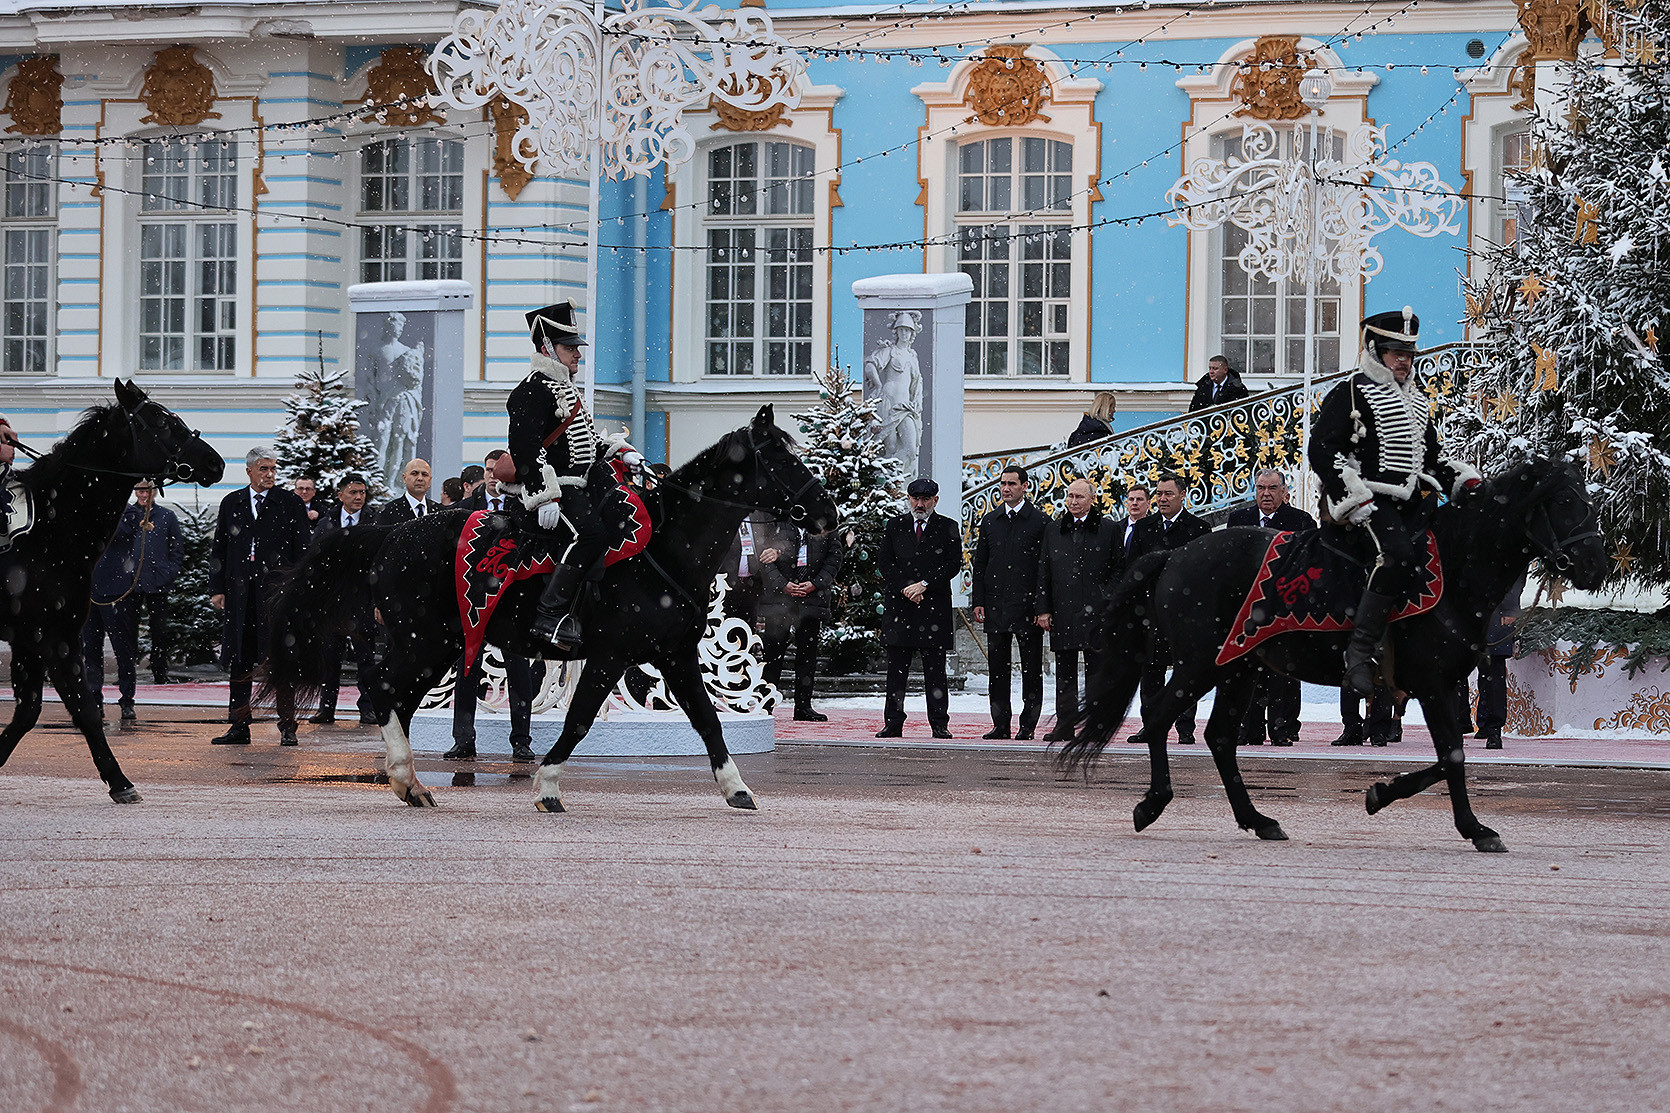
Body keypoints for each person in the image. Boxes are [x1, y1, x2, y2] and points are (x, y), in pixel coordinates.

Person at [1309, 308, 1482, 695]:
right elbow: (1321, 449)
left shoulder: (1418, 401)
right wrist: (1354, 496)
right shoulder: (1351, 392)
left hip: (1413, 502)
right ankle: (1359, 651)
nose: (1404, 360)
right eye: (1394, 352)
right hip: (1369, 502)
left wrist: (1466, 483)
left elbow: (1432, 460)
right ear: (1374, 350)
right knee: (1396, 554)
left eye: (1409, 353)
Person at [507, 300, 642, 655]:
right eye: (569, 349)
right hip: (558, 488)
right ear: (547, 348)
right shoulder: (531, 389)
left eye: (576, 349)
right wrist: (543, 494)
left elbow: (585, 443)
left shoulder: (567, 389)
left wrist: (620, 450)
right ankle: (548, 614)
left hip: (581, 486)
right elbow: (525, 448)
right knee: (590, 533)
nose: (576, 355)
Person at [208, 447, 311, 746]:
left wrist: (297, 591)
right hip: (240, 596)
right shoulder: (233, 503)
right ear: (250, 471)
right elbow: (220, 548)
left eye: (273, 469)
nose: (269, 475)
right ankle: (239, 724)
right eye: (264, 469)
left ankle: (287, 725)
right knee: (240, 659)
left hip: (276, 595)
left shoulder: (289, 503)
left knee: (282, 658)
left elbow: (302, 550)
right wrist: (217, 587)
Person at [446, 452, 537, 762]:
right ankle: (463, 739)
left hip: (512, 604)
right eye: (488, 470)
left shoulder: (524, 509)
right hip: (472, 602)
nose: (493, 476)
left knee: (518, 671)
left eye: (500, 471)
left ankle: (522, 740)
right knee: (467, 669)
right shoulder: (463, 510)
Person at [1225, 469, 1317, 746]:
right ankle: (1250, 728)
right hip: (1250, 607)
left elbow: (1309, 565)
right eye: (1261, 488)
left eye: (1272, 488)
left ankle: (1283, 728)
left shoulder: (1300, 521)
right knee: (1249, 669)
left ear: (1283, 491)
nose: (1266, 494)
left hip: (1286, 607)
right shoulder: (1239, 520)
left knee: (1284, 670)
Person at [81, 479, 184, 723]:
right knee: (91, 650)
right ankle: (95, 700)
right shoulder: (89, 510)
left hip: (118, 591)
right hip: (89, 591)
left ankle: (127, 699)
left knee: (124, 650)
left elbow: (118, 532)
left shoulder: (127, 513)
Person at [1127, 471, 1211, 744]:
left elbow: (1204, 574)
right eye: (1159, 494)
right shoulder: (1144, 527)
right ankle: (1151, 724)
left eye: (1168, 494)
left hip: (1184, 615)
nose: (1162, 499)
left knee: (1185, 673)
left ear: (1183, 495)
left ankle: (1185, 728)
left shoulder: (1198, 529)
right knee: (1150, 674)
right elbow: (1133, 570)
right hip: (1150, 614)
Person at [876, 478, 961, 739]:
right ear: (909, 499)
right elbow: (885, 562)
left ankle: (938, 722)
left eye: (926, 499)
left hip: (932, 605)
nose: (920, 504)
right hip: (901, 606)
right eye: (915, 499)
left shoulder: (948, 527)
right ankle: (893, 722)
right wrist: (906, 587)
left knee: (935, 670)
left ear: (935, 500)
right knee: (896, 670)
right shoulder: (895, 525)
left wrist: (924, 584)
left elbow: (952, 564)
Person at [1036, 478, 1120, 742]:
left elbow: (1119, 568)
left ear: (1092, 500)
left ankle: (1095, 726)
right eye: (1070, 496)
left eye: (1080, 497)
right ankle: (1065, 724)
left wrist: (1107, 599)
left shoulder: (1109, 529)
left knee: (1096, 673)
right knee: (1065, 674)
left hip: (1097, 612)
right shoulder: (1053, 530)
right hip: (1063, 610)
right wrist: (1043, 609)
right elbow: (1044, 571)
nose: (1073, 502)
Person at [972, 466, 1047, 740]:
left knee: (1031, 670)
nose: (1006, 489)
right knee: (997, 671)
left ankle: (1028, 724)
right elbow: (980, 564)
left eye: (1012, 484)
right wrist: (978, 600)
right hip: (995, 606)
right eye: (1003, 484)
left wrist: (1042, 607)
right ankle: (1000, 723)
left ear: (1025, 486)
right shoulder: (991, 520)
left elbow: (1044, 568)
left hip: (1027, 608)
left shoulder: (1039, 521)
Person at [757, 512, 844, 723]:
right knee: (772, 654)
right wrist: (782, 584)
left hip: (811, 599)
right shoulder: (777, 518)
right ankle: (765, 704)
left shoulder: (826, 523)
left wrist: (817, 583)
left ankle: (803, 706)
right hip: (780, 601)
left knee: (807, 655)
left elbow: (835, 557)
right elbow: (764, 557)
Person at [312, 474, 379, 726]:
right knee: (329, 659)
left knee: (366, 659)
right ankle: (326, 709)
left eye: (362, 492)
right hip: (333, 604)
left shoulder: (374, 521)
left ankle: (368, 708)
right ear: (340, 495)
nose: (359, 497)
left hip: (362, 601)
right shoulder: (326, 523)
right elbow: (315, 561)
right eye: (353, 492)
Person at [368, 310, 425, 484]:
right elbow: (371, 381)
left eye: (402, 325)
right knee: (382, 442)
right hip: (384, 404)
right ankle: (379, 482)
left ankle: (394, 481)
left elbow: (416, 383)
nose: (399, 328)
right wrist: (373, 406)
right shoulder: (377, 351)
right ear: (387, 325)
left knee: (400, 441)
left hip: (403, 402)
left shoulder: (406, 351)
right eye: (396, 324)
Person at [864, 310, 924, 467]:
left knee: (911, 449)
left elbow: (916, 384)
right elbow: (870, 365)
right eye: (901, 329)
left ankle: (891, 474)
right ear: (896, 331)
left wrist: (916, 402)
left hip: (906, 406)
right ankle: (887, 480)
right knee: (889, 447)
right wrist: (877, 384)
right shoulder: (888, 351)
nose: (904, 333)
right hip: (888, 403)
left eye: (908, 330)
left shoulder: (913, 357)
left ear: (913, 333)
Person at [1473, 573, 1526, 750]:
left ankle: (1494, 727)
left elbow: (1515, 572)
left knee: (1494, 671)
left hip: (1496, 611)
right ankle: (1481, 721)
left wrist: (1510, 609)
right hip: (1469, 607)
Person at [720, 511, 775, 626]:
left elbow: (773, 540)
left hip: (752, 584)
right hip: (725, 584)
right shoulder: (725, 513)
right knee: (723, 627)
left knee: (746, 628)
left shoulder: (759, 515)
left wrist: (776, 551)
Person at [377, 458, 440, 523]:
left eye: (424, 474)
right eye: (414, 473)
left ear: (430, 480)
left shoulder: (439, 512)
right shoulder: (388, 512)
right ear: (404, 478)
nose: (420, 478)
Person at [1114, 483, 1151, 575]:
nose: (1134, 503)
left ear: (1148, 503)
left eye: (1139, 499)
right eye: (1131, 499)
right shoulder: (1116, 528)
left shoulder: (1155, 528)